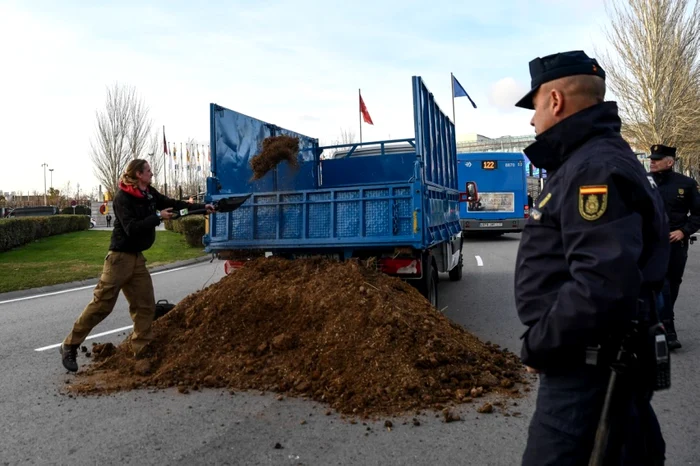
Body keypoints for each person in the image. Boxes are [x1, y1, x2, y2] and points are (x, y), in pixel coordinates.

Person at [513, 51, 670, 465]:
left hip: (585, 370)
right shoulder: (595, 159)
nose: (532, 120)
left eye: (535, 106)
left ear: (556, 101)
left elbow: (602, 285)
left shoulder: (592, 169)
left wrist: (540, 346)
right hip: (598, 361)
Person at [60, 159, 215, 372]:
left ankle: (141, 352)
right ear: (138, 174)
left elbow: (174, 204)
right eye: (148, 171)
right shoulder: (122, 198)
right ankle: (69, 345)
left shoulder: (149, 193)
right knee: (102, 306)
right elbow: (132, 228)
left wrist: (202, 208)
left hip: (137, 259)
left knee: (145, 305)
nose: (152, 174)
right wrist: (157, 217)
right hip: (119, 259)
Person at [649, 144, 700, 350]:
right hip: (651, 243)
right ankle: (667, 329)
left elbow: (698, 214)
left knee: (673, 282)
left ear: (669, 162)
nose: (652, 161)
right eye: (652, 158)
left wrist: (684, 231)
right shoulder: (642, 180)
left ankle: (662, 320)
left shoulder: (686, 184)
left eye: (657, 158)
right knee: (662, 283)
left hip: (676, 243)